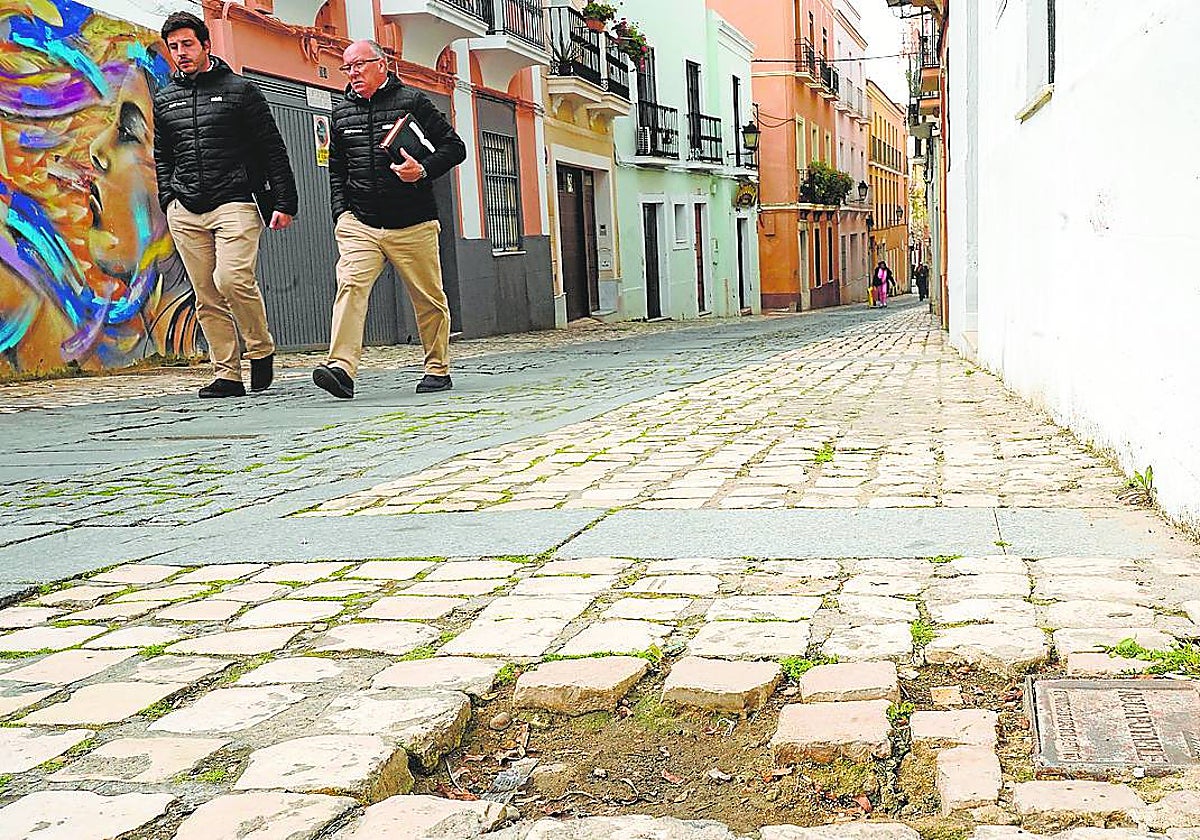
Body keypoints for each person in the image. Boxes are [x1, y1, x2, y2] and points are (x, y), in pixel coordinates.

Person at [153, 11, 298, 399]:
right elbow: (162, 153)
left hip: (235, 201)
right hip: (186, 207)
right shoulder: (165, 99)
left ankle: (260, 346)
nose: (181, 53)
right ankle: (227, 373)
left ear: (206, 46)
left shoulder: (240, 91)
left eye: (187, 44)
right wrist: (168, 198)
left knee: (231, 279)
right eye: (174, 47)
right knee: (206, 295)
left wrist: (284, 200)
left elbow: (272, 148)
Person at [313, 40, 467, 400]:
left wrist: (423, 170)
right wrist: (341, 212)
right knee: (350, 285)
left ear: (382, 65)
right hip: (360, 223)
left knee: (428, 297)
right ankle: (341, 369)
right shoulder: (341, 113)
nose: (353, 73)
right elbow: (337, 169)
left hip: (412, 221)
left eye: (359, 65)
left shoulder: (412, 101)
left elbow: (454, 147)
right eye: (347, 68)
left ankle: (436, 367)